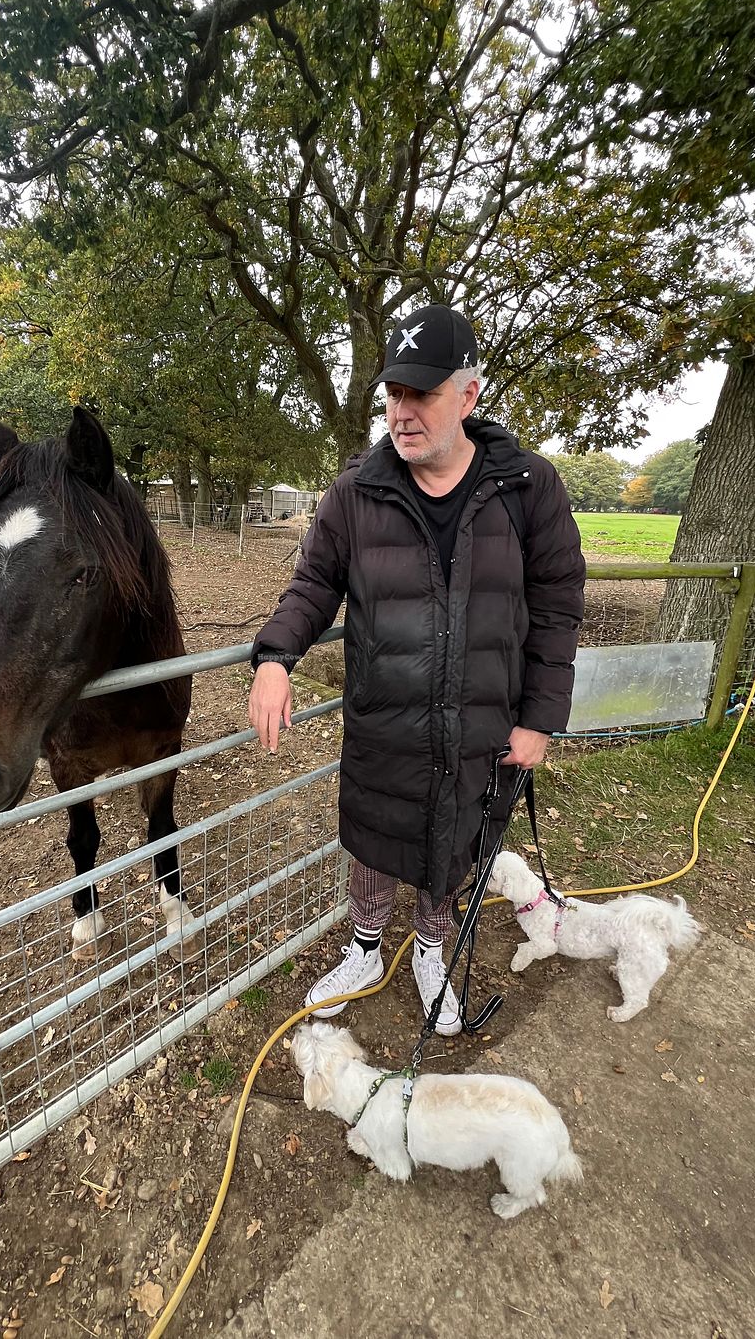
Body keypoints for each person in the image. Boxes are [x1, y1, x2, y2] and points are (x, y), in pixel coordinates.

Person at [247, 304, 585, 1034]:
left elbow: (558, 608)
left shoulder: (529, 488)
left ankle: (431, 949)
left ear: (467, 395)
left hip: (482, 719)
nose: (401, 412)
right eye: (393, 393)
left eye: (421, 394)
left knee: (454, 839)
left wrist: (539, 718)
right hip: (386, 717)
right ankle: (366, 949)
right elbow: (313, 586)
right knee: (374, 837)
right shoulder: (355, 493)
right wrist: (275, 657)